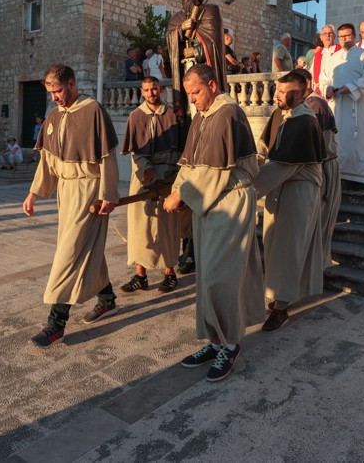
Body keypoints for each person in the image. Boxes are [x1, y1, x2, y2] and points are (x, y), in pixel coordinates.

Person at [163, 64, 264, 383]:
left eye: (196, 92)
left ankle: (231, 343)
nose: (192, 99)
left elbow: (214, 172)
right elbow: (191, 164)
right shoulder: (203, 116)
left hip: (230, 201)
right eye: (189, 93)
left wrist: (181, 197)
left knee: (223, 276)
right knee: (207, 274)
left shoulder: (227, 114)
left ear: (212, 84)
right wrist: (176, 188)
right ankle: (216, 339)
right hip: (211, 202)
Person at [24, 65, 120, 350]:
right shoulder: (53, 116)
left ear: (71, 83)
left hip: (89, 191)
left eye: (57, 90)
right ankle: (107, 299)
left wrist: (109, 194)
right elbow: (47, 162)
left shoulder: (93, 111)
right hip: (65, 193)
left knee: (68, 254)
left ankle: (56, 324)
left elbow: (107, 158)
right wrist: (32, 194)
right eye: (50, 92)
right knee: (83, 249)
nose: (54, 97)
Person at [253, 71, 327, 332]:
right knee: (273, 243)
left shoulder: (305, 122)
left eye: (282, 92)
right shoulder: (278, 114)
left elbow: (283, 166)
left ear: (298, 94)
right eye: (277, 90)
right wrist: (251, 163)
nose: (276, 96)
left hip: (298, 192)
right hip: (278, 188)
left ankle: (281, 307)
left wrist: (244, 189)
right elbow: (264, 147)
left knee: (289, 248)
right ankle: (275, 296)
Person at [120, 77, 183, 294]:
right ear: (142, 91)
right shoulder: (135, 116)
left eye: (154, 89)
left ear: (161, 89)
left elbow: (181, 151)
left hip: (168, 175)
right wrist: (147, 172)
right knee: (140, 226)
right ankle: (140, 275)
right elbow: (136, 153)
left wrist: (170, 173)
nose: (151, 93)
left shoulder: (173, 115)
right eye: (146, 90)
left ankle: (170, 273)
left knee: (168, 225)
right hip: (143, 176)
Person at [166, 0, 226, 139]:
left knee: (205, 102)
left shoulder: (210, 11)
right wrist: (180, 30)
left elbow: (215, 43)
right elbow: (169, 39)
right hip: (185, 68)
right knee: (188, 106)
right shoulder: (177, 18)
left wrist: (196, 51)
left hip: (204, 67)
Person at [296, 68, 341, 269]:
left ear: (307, 83)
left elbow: (310, 143)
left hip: (324, 167)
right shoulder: (308, 104)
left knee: (319, 222)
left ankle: (317, 269)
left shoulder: (314, 104)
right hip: (320, 165)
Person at [320, 23, 364, 183]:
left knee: (355, 141)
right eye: (341, 36)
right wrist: (327, 89)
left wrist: (351, 87)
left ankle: (358, 178)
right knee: (338, 140)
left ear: (354, 36)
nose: (344, 39)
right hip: (336, 105)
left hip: (355, 107)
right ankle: (339, 176)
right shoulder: (333, 57)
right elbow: (323, 78)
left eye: (347, 36)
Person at [311, 25, 339, 94]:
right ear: (321, 37)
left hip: (336, 90)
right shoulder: (317, 55)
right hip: (319, 91)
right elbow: (312, 74)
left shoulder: (341, 51)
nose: (327, 36)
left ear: (334, 36)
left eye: (330, 33)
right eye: (325, 34)